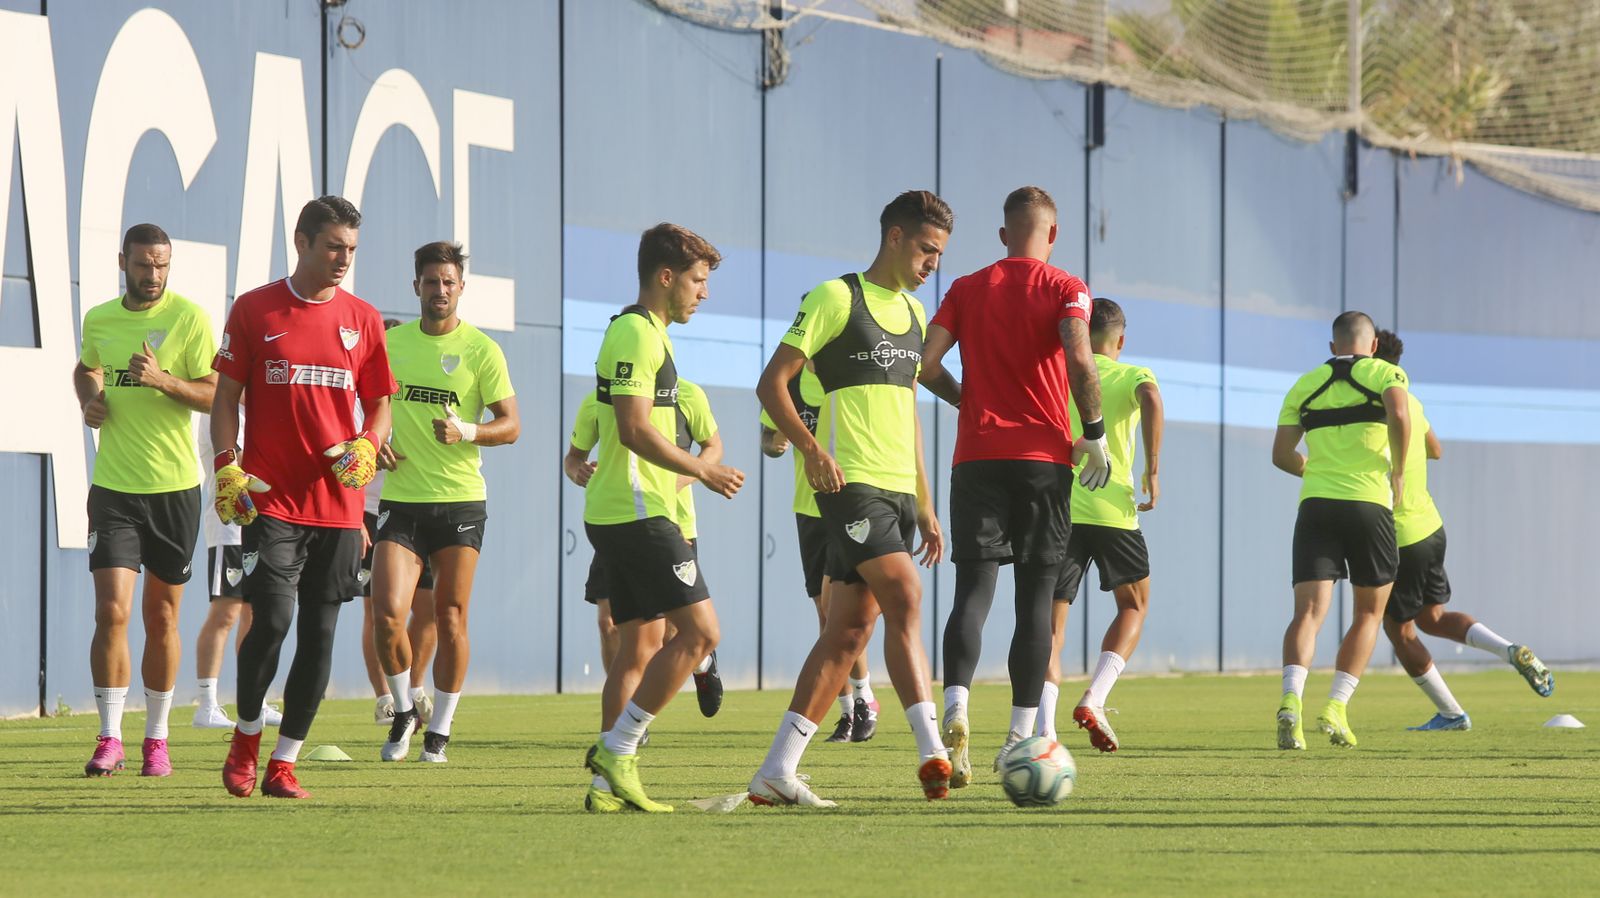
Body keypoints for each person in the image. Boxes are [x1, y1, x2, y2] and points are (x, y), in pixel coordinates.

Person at [748, 190, 953, 808]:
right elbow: (771, 384)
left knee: (848, 633)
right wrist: (810, 449)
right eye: (925, 249)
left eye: (940, 254)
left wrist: (925, 502)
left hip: (896, 491)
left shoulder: (917, 316)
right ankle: (934, 752)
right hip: (847, 484)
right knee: (906, 595)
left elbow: (914, 410)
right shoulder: (835, 298)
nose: (931, 264)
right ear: (893, 236)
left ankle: (775, 772)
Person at [919, 186, 1111, 787]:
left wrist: (968, 400)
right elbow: (1080, 359)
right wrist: (1096, 434)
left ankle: (955, 712)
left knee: (971, 593)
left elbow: (925, 365)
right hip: (1042, 462)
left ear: (1004, 235)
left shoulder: (966, 288)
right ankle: (1020, 735)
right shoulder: (1066, 287)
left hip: (975, 458)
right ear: (1051, 235)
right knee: (1035, 599)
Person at [212, 195, 395, 798]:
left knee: (321, 634)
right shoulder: (256, 309)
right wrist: (226, 465)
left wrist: (369, 443)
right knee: (273, 620)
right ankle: (245, 735)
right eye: (333, 246)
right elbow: (225, 399)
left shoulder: (364, 318)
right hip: (271, 500)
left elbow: (380, 403)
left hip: (340, 508)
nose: (344, 258)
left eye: (351, 249)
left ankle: (283, 762)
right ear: (302, 241)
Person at [582, 223, 744, 813]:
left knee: (636, 650)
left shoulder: (653, 334)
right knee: (701, 635)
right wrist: (702, 471)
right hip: (638, 511)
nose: (704, 293)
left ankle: (605, 789)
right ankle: (617, 751)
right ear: (666, 276)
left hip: (625, 510)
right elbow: (633, 429)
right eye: (698, 281)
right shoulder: (635, 333)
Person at [74, 223, 217, 777]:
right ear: (122, 262)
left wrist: (163, 382)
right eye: (143, 265)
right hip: (114, 488)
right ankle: (109, 736)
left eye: (161, 265)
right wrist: (90, 398)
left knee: (162, 617)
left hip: (175, 490)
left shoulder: (189, 318)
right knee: (111, 611)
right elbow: (86, 368)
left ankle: (156, 738)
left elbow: (216, 393)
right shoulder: (101, 320)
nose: (153, 275)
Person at [372, 242, 520, 764]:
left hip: (460, 503)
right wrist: (374, 439)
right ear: (416, 286)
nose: (439, 290)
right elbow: (369, 407)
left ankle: (440, 729)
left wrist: (470, 430)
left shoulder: (481, 350)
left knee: (451, 617)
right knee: (387, 614)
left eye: (448, 282)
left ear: (461, 288)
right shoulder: (390, 345)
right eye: (430, 282)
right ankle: (403, 708)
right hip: (402, 499)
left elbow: (512, 426)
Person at [1370, 329, 1553, 730]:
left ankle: (1452, 713)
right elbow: (1436, 449)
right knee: (1432, 618)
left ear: (1369, 359)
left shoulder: (1373, 408)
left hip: (1400, 534)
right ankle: (1510, 651)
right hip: (1431, 526)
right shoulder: (1411, 403)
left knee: (1398, 630)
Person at [1272, 311, 1409, 750]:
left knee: (1307, 614)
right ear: (1372, 345)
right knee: (1368, 614)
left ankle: (1290, 701)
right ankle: (1336, 707)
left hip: (1316, 507)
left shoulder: (1306, 383)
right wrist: (1400, 475)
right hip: (1370, 505)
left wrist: (1315, 471)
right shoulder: (1388, 372)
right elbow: (1401, 416)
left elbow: (1281, 454)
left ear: (1333, 348)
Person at [1032, 298, 1162, 753]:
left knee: (1050, 626)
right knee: (1135, 605)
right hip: (1112, 510)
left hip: (1058, 509)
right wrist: (1153, 468)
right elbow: (1151, 397)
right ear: (1121, 340)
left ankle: (1044, 730)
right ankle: (1095, 698)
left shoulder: (1059, 373)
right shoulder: (1131, 374)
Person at [565, 378, 725, 730]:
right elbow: (573, 459)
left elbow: (712, 447)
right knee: (611, 626)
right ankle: (626, 725)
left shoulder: (686, 395)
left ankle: (701, 664)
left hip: (672, 524)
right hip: (618, 522)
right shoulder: (597, 401)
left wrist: (679, 481)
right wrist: (579, 472)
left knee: (672, 634)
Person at [760, 364, 880, 743]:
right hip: (808, 510)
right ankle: (848, 713)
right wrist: (775, 442)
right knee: (825, 614)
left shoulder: (845, 373)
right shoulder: (789, 383)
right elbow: (768, 440)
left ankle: (863, 701)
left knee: (838, 613)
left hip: (847, 507)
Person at [361, 319, 436, 727]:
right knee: (379, 614)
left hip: (419, 507)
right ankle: (386, 697)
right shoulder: (363, 398)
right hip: (373, 512)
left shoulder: (415, 388)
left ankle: (416, 686)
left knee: (429, 611)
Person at [193, 406, 283, 731]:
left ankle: (253, 700)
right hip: (229, 524)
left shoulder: (260, 408)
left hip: (261, 524)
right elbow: (241, 462)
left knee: (255, 614)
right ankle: (207, 704)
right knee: (225, 612)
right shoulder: (222, 411)